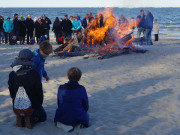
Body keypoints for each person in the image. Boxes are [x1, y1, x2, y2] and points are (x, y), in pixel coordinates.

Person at [8, 49, 46, 129]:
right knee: (43, 117)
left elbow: (11, 90)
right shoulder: (34, 73)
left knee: (23, 112)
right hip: (32, 104)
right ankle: (30, 119)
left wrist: (14, 99)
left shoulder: (12, 74)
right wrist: (39, 105)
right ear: (30, 59)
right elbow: (39, 91)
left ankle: (20, 117)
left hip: (17, 103)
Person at [54, 67, 89, 132]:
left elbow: (59, 102)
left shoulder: (61, 88)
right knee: (86, 115)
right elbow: (85, 104)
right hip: (77, 113)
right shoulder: (81, 88)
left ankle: (65, 124)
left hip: (63, 113)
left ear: (68, 77)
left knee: (63, 113)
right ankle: (77, 124)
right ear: (79, 78)